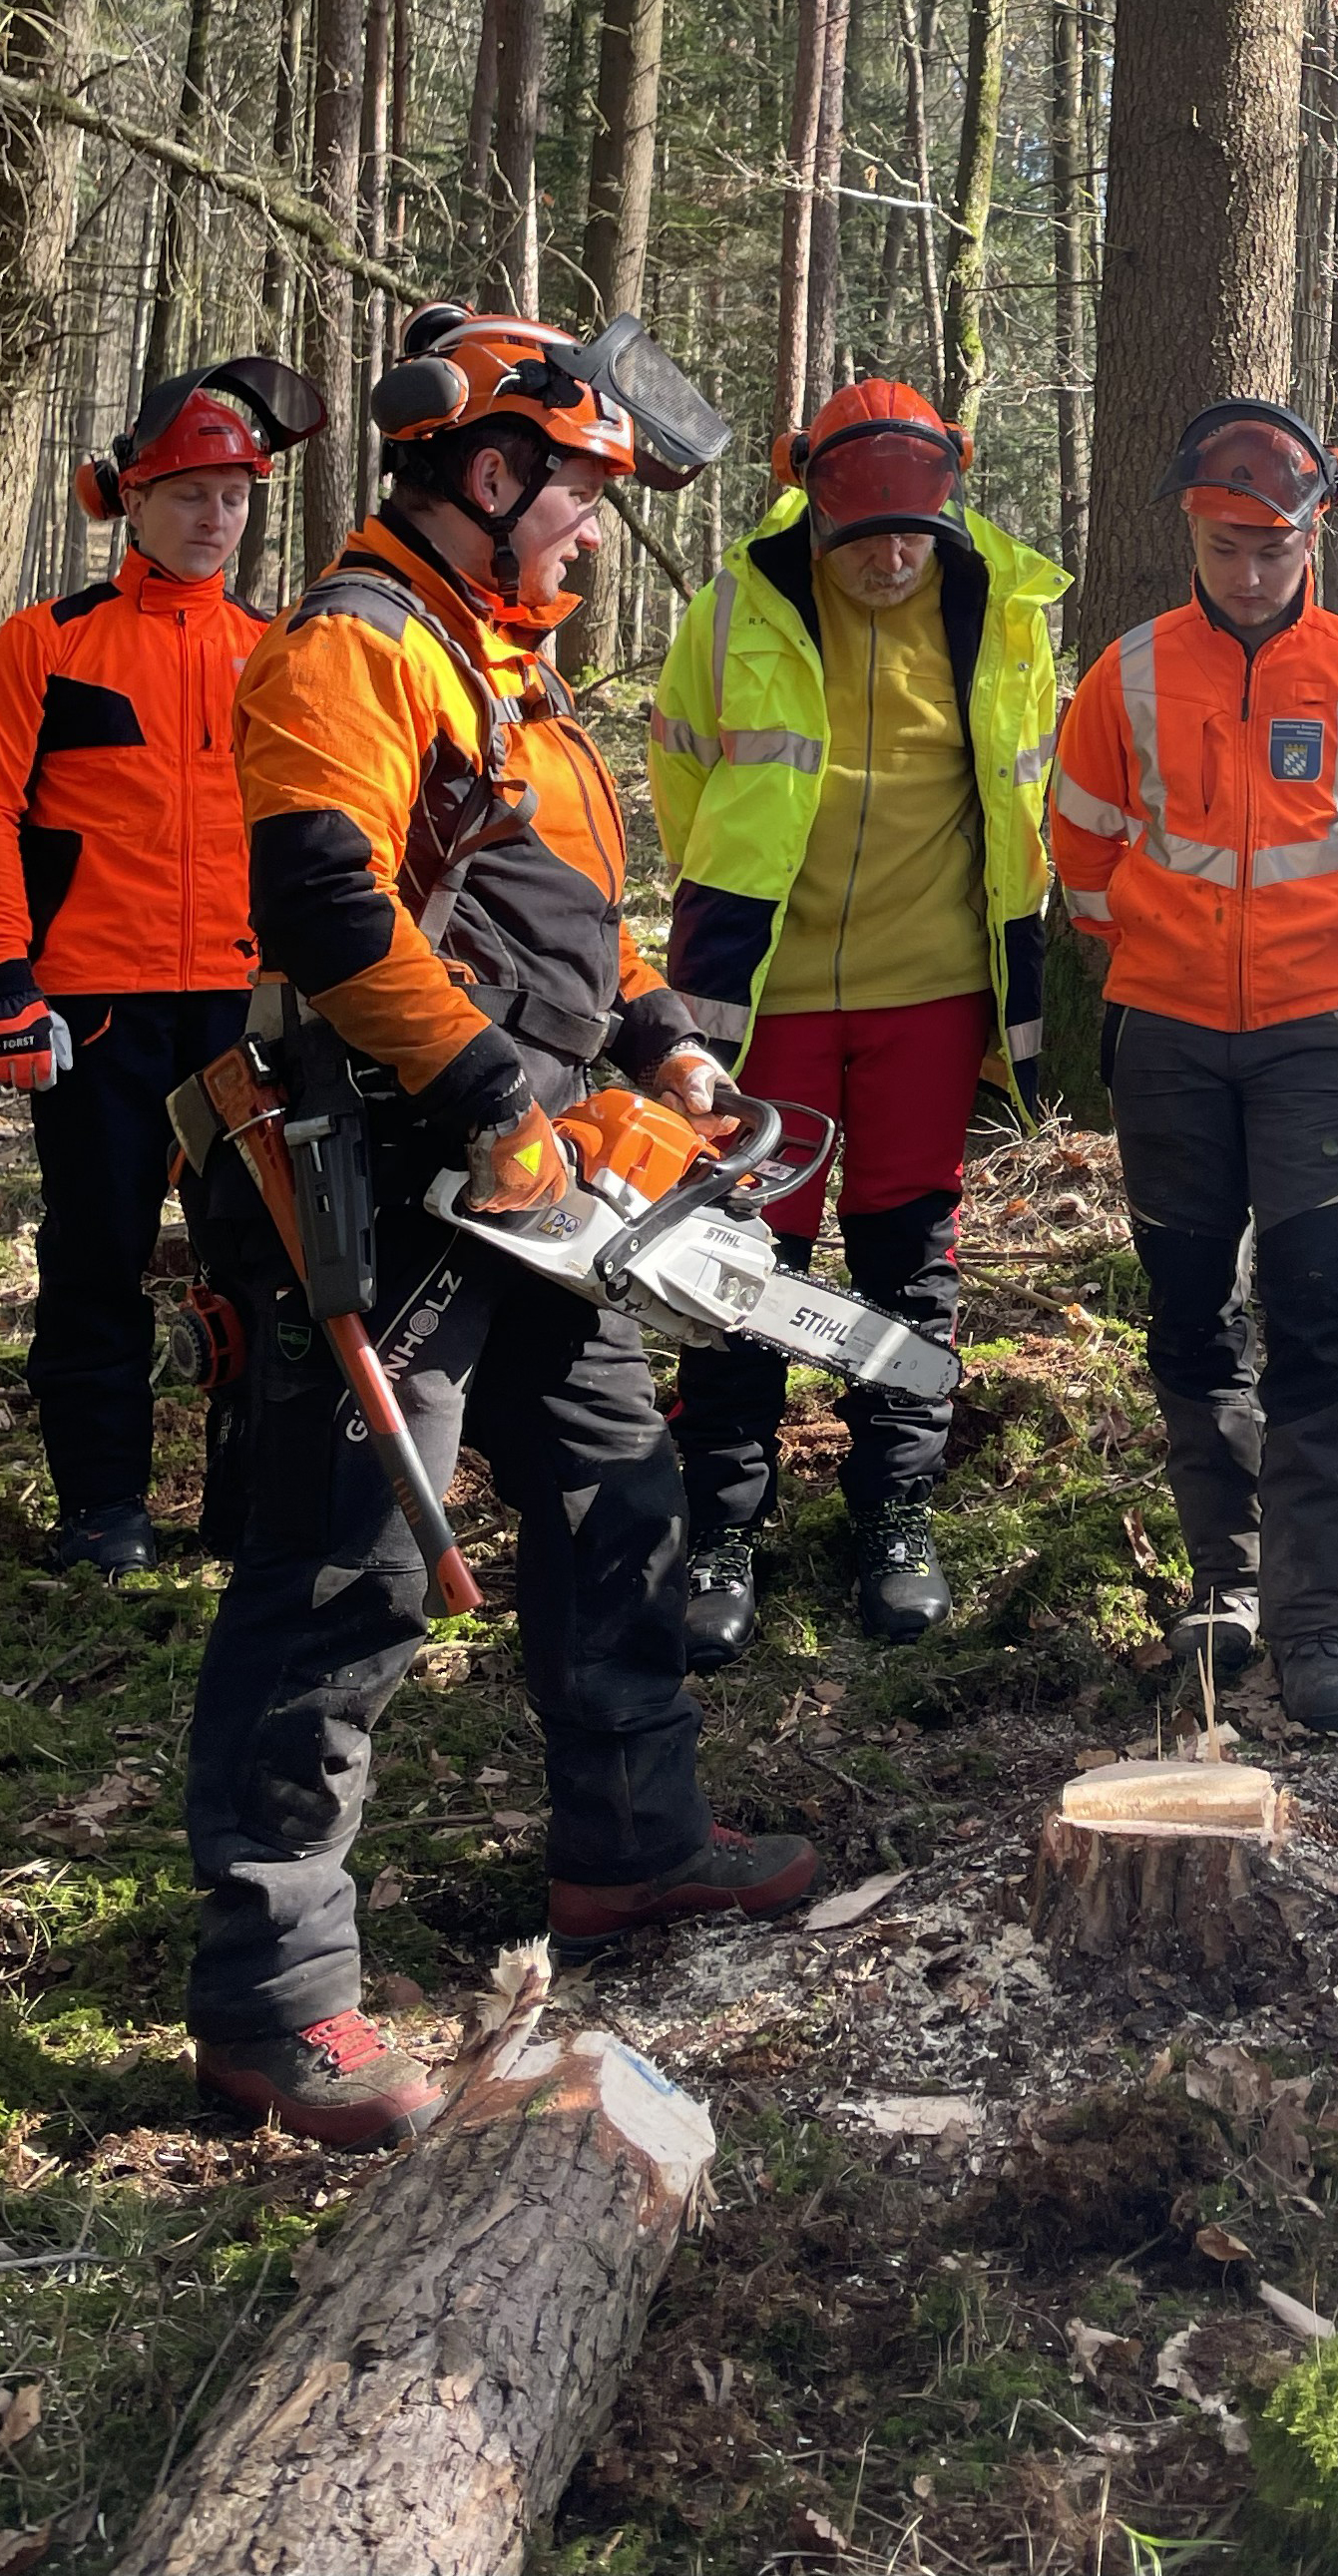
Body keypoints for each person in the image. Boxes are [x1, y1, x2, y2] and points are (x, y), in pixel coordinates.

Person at [182, 304, 814, 2148]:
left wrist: (663, 1042)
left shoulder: (501, 672)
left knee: (620, 1478)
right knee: (346, 1565)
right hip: (386, 1170)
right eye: (579, 498)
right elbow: (333, 916)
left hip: (527, 1174)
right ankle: (273, 1996)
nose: (594, 533)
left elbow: (567, 915)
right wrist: (488, 1101)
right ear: (486, 472)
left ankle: (632, 1842)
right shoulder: (352, 650)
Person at [1049, 400, 1338, 1733]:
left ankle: (1317, 1619)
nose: (1247, 571)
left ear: (1309, 537)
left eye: (1270, 548)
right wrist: (1161, 959)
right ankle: (1223, 1585)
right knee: (1188, 1308)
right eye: (1226, 547)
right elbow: (1084, 852)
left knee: (1323, 1306)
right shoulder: (1129, 673)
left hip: (1314, 1038)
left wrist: (1325, 953)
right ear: (1193, 533)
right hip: (1164, 1038)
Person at [649, 377, 1068, 1663]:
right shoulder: (737, 610)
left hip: (930, 986)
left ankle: (895, 1510)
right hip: (765, 995)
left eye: (912, 536)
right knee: (735, 1263)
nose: (890, 559)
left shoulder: (1000, 611)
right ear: (816, 510)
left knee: (909, 1252)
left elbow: (1022, 787)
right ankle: (720, 1524)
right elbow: (680, 779)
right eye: (864, 536)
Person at [0, 358, 324, 1574]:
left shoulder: (278, 648)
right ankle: (102, 1509)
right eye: (188, 492)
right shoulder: (49, 643)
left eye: (234, 495)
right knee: (98, 1248)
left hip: (241, 1006)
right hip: (94, 1003)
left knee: (264, 1259)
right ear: (130, 500)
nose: (214, 517)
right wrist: (9, 981)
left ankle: (248, 1507)